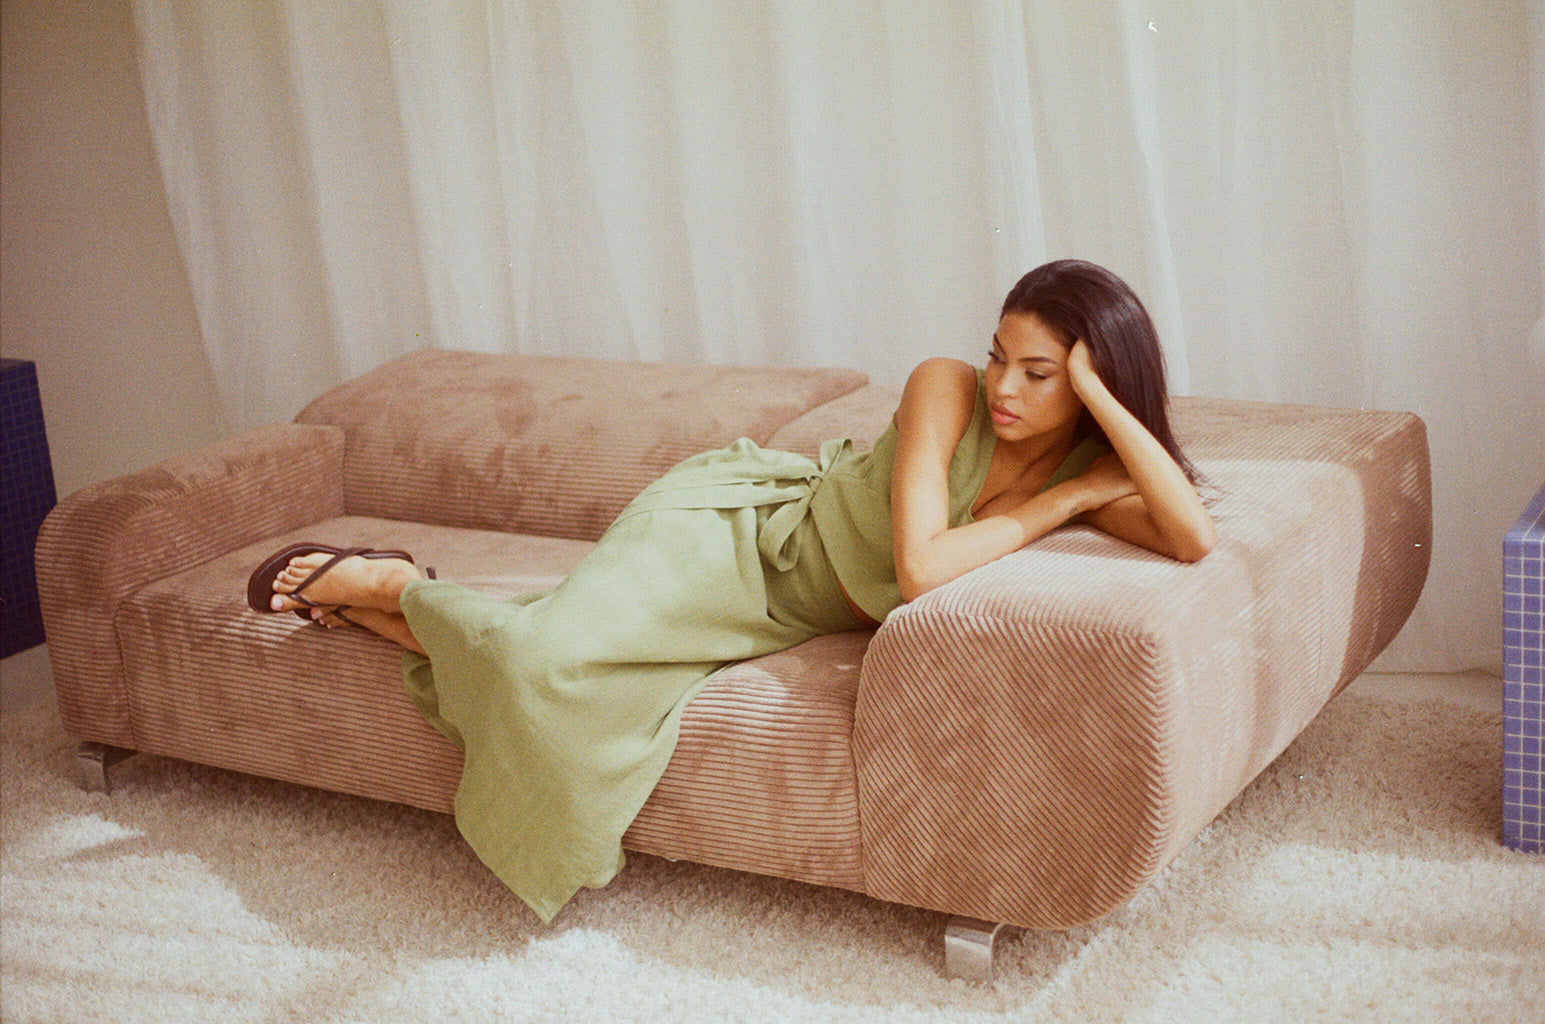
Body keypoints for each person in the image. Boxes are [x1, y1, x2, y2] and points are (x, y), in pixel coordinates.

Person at [246, 258, 1216, 922]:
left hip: (781, 613)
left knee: (564, 682)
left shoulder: (1078, 458)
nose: (1003, 386)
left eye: (1040, 374)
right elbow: (921, 567)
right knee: (544, 664)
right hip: (732, 536)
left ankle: (394, 600)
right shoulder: (946, 388)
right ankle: (397, 585)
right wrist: (1067, 501)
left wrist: (1101, 416)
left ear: (1089, 385)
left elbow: (1191, 535)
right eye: (1001, 355)